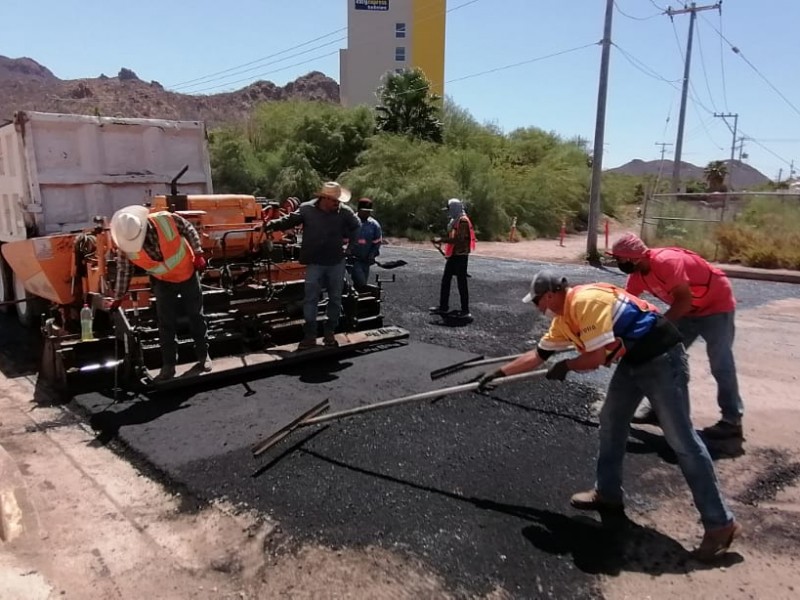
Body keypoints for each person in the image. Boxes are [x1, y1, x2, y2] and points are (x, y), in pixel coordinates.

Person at [476, 270, 741, 562]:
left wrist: (567, 366)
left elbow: (596, 358)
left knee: (682, 442)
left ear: (550, 295)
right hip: (634, 360)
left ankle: (720, 524)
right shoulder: (564, 320)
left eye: (537, 301)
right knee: (612, 422)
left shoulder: (585, 302)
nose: (536, 307)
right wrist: (498, 374)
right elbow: (538, 356)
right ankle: (608, 493)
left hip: (663, 358)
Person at [610, 233, 744, 440]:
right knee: (661, 356)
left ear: (634, 257)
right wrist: (611, 335)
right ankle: (659, 410)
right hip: (689, 310)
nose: (617, 263)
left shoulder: (667, 262)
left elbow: (682, 301)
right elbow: (628, 306)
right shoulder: (637, 275)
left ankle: (732, 420)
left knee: (721, 362)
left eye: (619, 258)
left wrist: (654, 328)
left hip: (716, 306)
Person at [109, 205, 210, 381]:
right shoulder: (126, 245)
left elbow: (189, 228)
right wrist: (118, 297)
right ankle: (169, 365)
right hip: (163, 281)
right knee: (166, 323)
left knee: (196, 316)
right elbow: (124, 271)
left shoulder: (166, 220)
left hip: (187, 274)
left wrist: (198, 252)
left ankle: (203, 356)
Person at [263, 181, 360, 349]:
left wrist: (350, 248)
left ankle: (329, 333)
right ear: (324, 198)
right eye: (335, 201)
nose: (338, 204)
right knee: (310, 300)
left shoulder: (344, 212)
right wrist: (271, 225)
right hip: (315, 262)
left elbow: (357, 226)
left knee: (335, 299)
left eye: (339, 201)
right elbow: (289, 220)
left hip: (336, 262)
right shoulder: (307, 209)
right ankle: (310, 336)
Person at [430, 198, 476, 318]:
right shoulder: (455, 220)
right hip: (454, 254)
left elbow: (459, 239)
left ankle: (465, 310)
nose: (448, 212)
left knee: (461, 282)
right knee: (446, 280)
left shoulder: (462, 221)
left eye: (449, 209)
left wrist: (441, 240)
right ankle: (443, 307)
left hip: (460, 256)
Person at [347, 197, 383, 291]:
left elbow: (377, 242)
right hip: (351, 260)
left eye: (369, 211)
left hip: (365, 260)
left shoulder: (374, 225)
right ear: (358, 210)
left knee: (361, 285)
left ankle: (357, 302)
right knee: (361, 282)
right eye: (364, 211)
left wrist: (372, 254)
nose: (367, 213)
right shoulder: (350, 222)